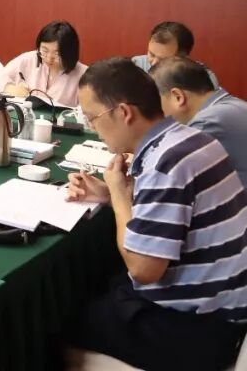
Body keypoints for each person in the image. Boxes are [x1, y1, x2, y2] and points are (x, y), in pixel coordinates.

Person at [66, 58, 246, 371]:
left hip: (203, 328)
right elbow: (177, 207)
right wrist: (110, 192)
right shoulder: (190, 139)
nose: (92, 128)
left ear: (124, 112)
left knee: (62, 319)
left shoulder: (166, 162)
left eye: (93, 118)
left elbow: (143, 269)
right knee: (102, 287)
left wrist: (118, 194)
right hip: (224, 305)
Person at [150, 56, 247, 189]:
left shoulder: (206, 123)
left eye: (156, 103)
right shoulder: (231, 105)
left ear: (178, 97)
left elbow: (169, 176)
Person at [0, 21, 87, 107]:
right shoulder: (28, 59)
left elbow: (88, 110)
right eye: (45, 51)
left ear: (70, 53)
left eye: (57, 54)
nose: (49, 58)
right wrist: (9, 87)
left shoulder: (84, 75)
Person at [132, 20, 219, 86]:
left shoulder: (205, 80)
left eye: (164, 59)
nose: (154, 63)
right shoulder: (135, 65)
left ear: (184, 58)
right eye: (151, 54)